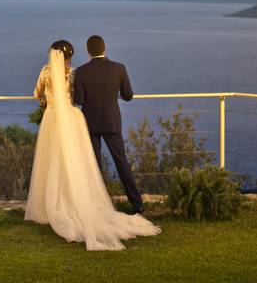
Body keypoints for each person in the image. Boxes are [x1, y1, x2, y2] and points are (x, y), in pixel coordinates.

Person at [24, 40, 159, 250]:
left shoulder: (52, 71)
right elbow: (123, 95)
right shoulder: (83, 72)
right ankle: (133, 202)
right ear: (103, 48)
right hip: (86, 120)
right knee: (102, 162)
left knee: (60, 161)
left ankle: (54, 203)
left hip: (58, 120)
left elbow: (40, 94)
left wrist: (47, 103)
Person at [72, 35, 143, 213]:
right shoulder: (119, 68)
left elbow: (78, 100)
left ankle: (97, 204)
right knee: (121, 162)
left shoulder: (81, 71)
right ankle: (137, 203)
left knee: (94, 164)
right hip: (112, 121)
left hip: (89, 123)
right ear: (105, 49)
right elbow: (128, 95)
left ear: (88, 52)